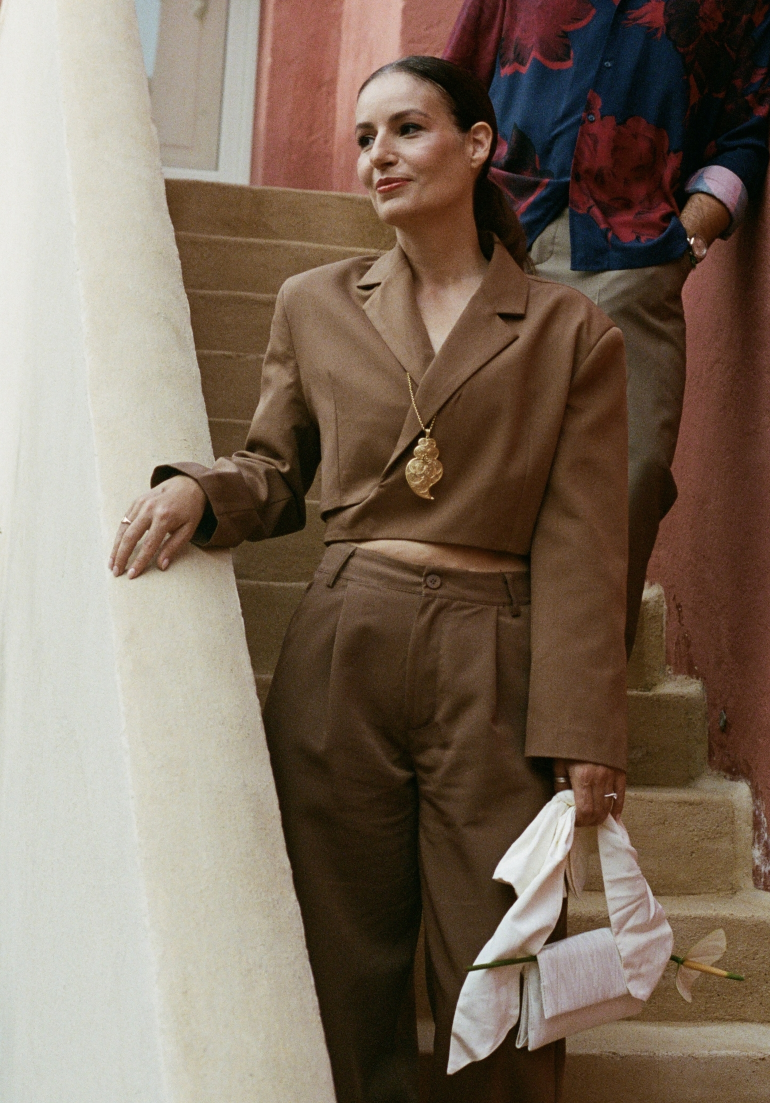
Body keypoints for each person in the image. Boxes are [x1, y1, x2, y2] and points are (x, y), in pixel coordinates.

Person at [109, 56, 630, 1103]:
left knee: (504, 955)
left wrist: (586, 732)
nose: (377, 156)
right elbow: (275, 470)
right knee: (341, 955)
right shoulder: (314, 303)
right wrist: (201, 490)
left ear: (476, 146)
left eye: (406, 130)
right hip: (346, 640)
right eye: (362, 138)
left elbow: (584, 543)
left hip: (494, 656)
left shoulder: (569, 329)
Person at [445, 0, 770, 653]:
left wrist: (689, 235)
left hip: (633, 256)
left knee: (628, 475)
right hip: (494, 239)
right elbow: (456, 82)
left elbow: (744, 133)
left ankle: (581, 698)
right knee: (474, 463)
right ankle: (468, 674)